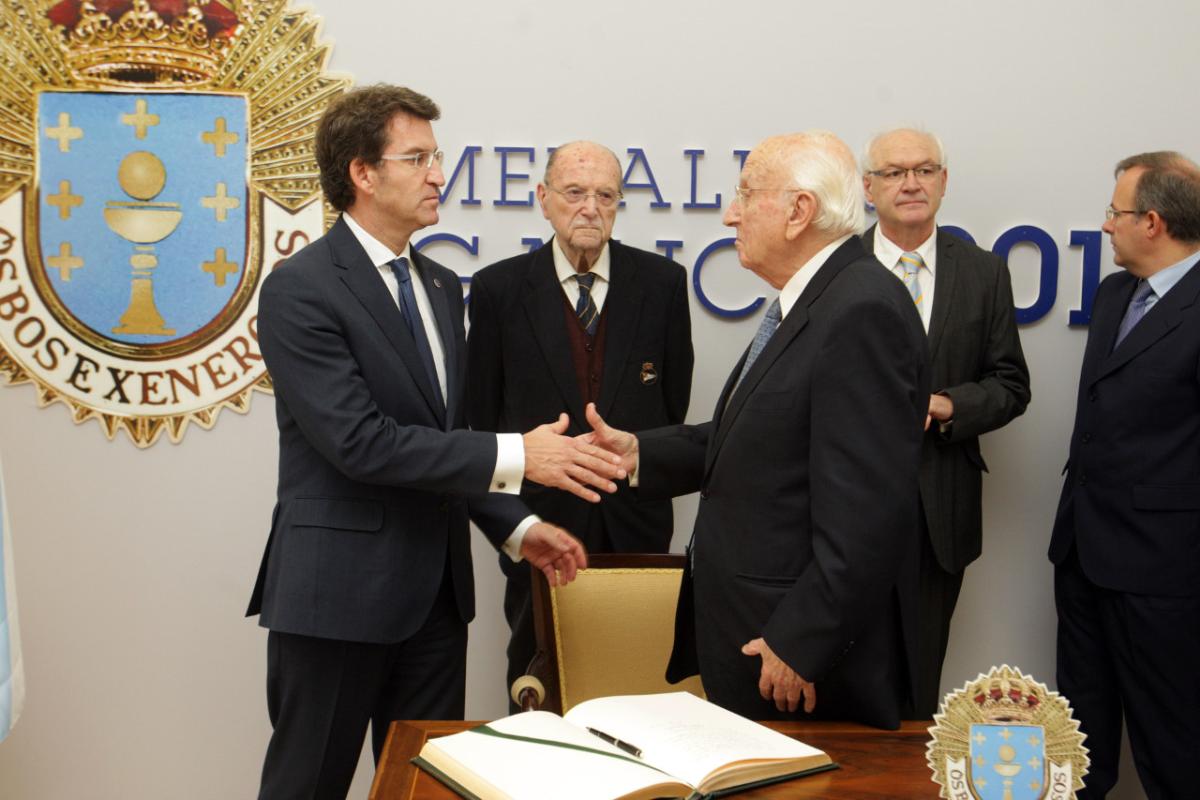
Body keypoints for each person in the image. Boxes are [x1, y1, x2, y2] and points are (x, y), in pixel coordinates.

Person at [245, 85, 625, 800]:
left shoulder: (444, 286)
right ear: (363, 172)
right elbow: (361, 443)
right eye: (416, 158)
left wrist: (519, 528)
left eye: (436, 157)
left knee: (424, 790)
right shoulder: (301, 289)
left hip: (435, 602)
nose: (437, 175)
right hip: (336, 597)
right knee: (307, 786)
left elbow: (445, 440)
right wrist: (521, 454)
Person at [586, 131, 929, 729]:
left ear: (799, 211)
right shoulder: (822, 298)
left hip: (795, 661)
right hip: (756, 636)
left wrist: (802, 640)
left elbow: (870, 515)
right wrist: (640, 452)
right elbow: (761, 437)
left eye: (746, 194)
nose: (730, 214)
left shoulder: (860, 310)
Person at [467, 140, 694, 704]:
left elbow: (673, 406)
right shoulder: (498, 290)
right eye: (574, 193)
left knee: (638, 679)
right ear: (544, 199)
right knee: (536, 682)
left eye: (605, 195)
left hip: (636, 523)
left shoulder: (663, 284)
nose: (590, 208)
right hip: (540, 524)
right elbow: (482, 418)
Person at [861, 128, 1030, 718]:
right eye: (894, 172)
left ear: (943, 181)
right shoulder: (836, 266)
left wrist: (947, 406)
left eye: (925, 170)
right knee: (839, 680)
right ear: (868, 188)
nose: (911, 183)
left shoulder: (983, 273)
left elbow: (1011, 385)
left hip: (938, 511)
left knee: (919, 683)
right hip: (843, 506)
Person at [1049, 151, 1200, 799]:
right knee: (1078, 750)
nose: (1107, 225)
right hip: (1082, 554)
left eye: (1116, 212)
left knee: (1173, 749)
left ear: (1153, 222)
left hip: (1164, 573)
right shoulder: (1115, 293)